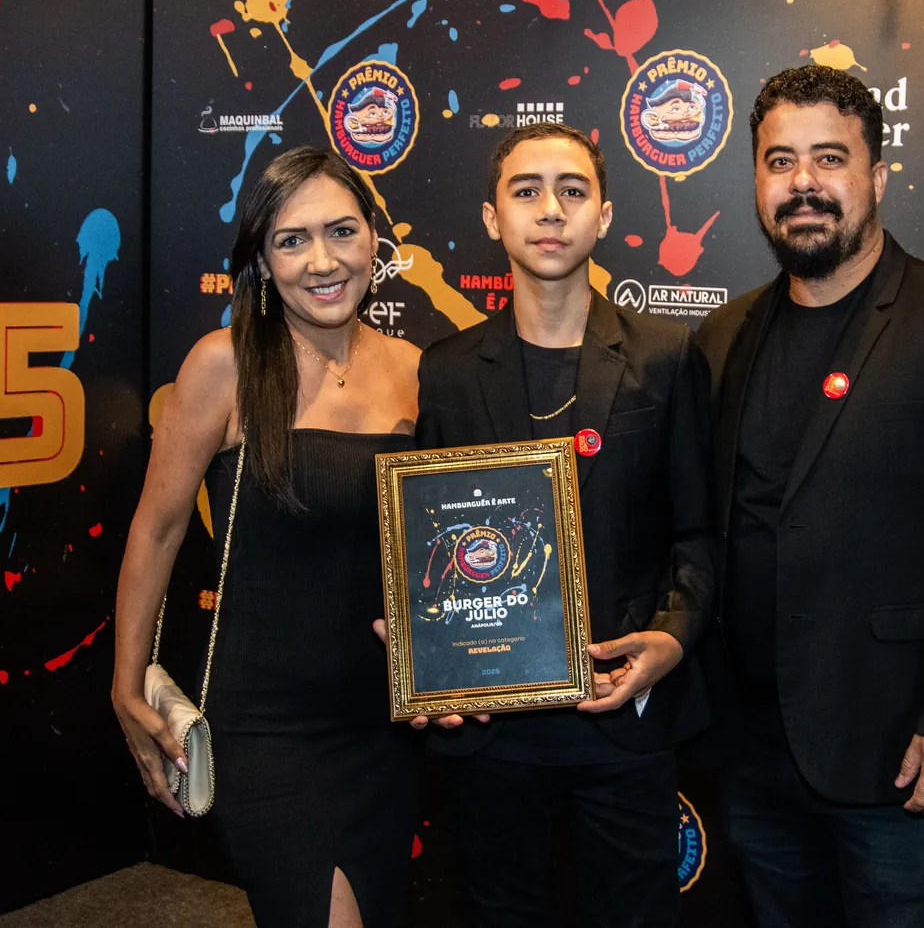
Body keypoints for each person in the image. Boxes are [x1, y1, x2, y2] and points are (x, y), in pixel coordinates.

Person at [694, 65, 924, 927]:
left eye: (830, 158)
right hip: (753, 753)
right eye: (780, 161)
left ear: (878, 177)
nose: (804, 183)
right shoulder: (721, 334)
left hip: (904, 757)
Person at [111, 147, 423, 928]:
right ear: (261, 259)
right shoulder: (224, 364)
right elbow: (158, 528)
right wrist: (126, 683)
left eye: (341, 231)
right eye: (292, 239)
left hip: (382, 722)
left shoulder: (419, 371)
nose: (322, 261)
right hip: (264, 724)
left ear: (373, 239)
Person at [416, 122, 715, 928]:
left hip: (619, 714)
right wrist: (422, 649)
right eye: (527, 191)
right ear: (492, 218)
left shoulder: (665, 355)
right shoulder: (447, 369)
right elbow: (427, 544)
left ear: (604, 216)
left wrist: (673, 637)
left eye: (572, 191)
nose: (550, 209)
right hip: (489, 727)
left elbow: (699, 533)